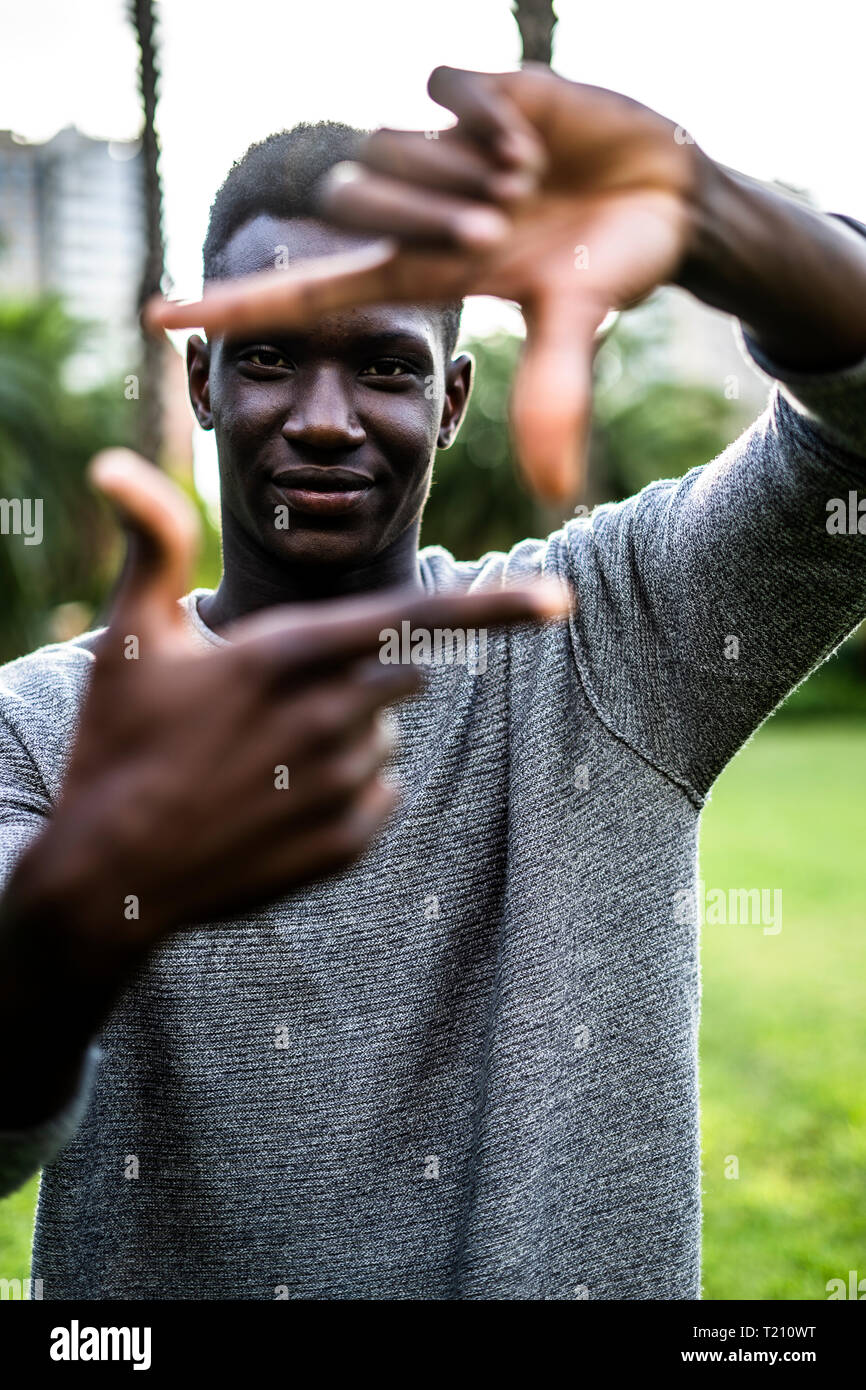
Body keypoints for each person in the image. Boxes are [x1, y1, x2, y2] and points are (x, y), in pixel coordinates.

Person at [2, 64, 865, 1300]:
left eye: (386, 368)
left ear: (453, 397)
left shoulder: (604, 633)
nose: (321, 417)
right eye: (267, 361)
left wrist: (706, 208)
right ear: (200, 382)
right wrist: (78, 906)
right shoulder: (41, 726)